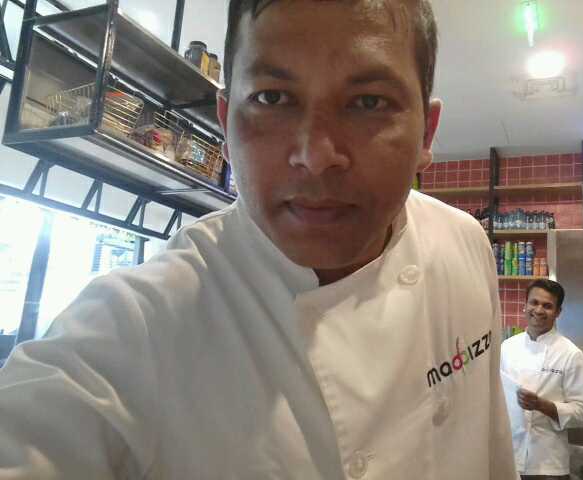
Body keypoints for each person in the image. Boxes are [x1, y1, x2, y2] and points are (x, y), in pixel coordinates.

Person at [0, 0, 517, 478]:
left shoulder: (463, 243)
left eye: (368, 102)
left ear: (426, 134)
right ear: (226, 124)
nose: (315, 155)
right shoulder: (135, 324)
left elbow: (492, 450)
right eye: (273, 98)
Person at [501, 279, 583, 480]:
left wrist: (542, 405)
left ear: (558, 312)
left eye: (547, 306)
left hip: (548, 463)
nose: (538, 310)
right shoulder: (506, 348)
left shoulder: (571, 355)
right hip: (508, 456)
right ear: (525, 305)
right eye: (534, 302)